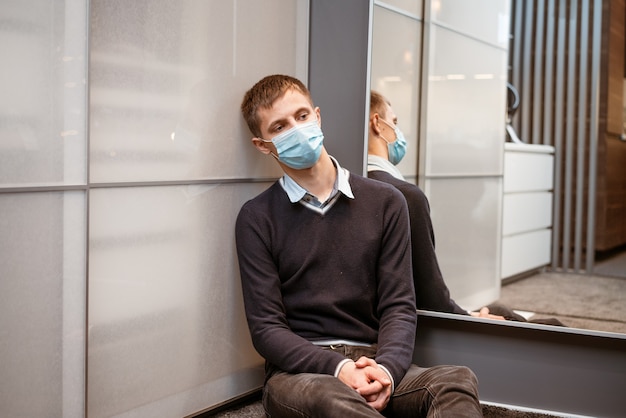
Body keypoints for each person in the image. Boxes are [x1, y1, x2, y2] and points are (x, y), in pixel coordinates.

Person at [235, 74, 482, 417]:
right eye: (279, 127)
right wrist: (339, 369)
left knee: (456, 380)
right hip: (302, 374)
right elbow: (266, 328)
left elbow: (398, 305)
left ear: (317, 116)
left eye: (302, 116)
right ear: (263, 145)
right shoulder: (256, 218)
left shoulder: (386, 202)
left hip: (374, 358)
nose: (296, 130)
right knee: (332, 400)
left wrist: (386, 371)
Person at [367, 91, 563, 324]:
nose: (399, 133)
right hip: (408, 325)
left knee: (498, 310)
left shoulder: (349, 185)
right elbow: (431, 300)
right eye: (395, 122)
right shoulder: (403, 196)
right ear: (377, 124)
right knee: (544, 325)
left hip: (388, 318)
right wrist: (472, 318)